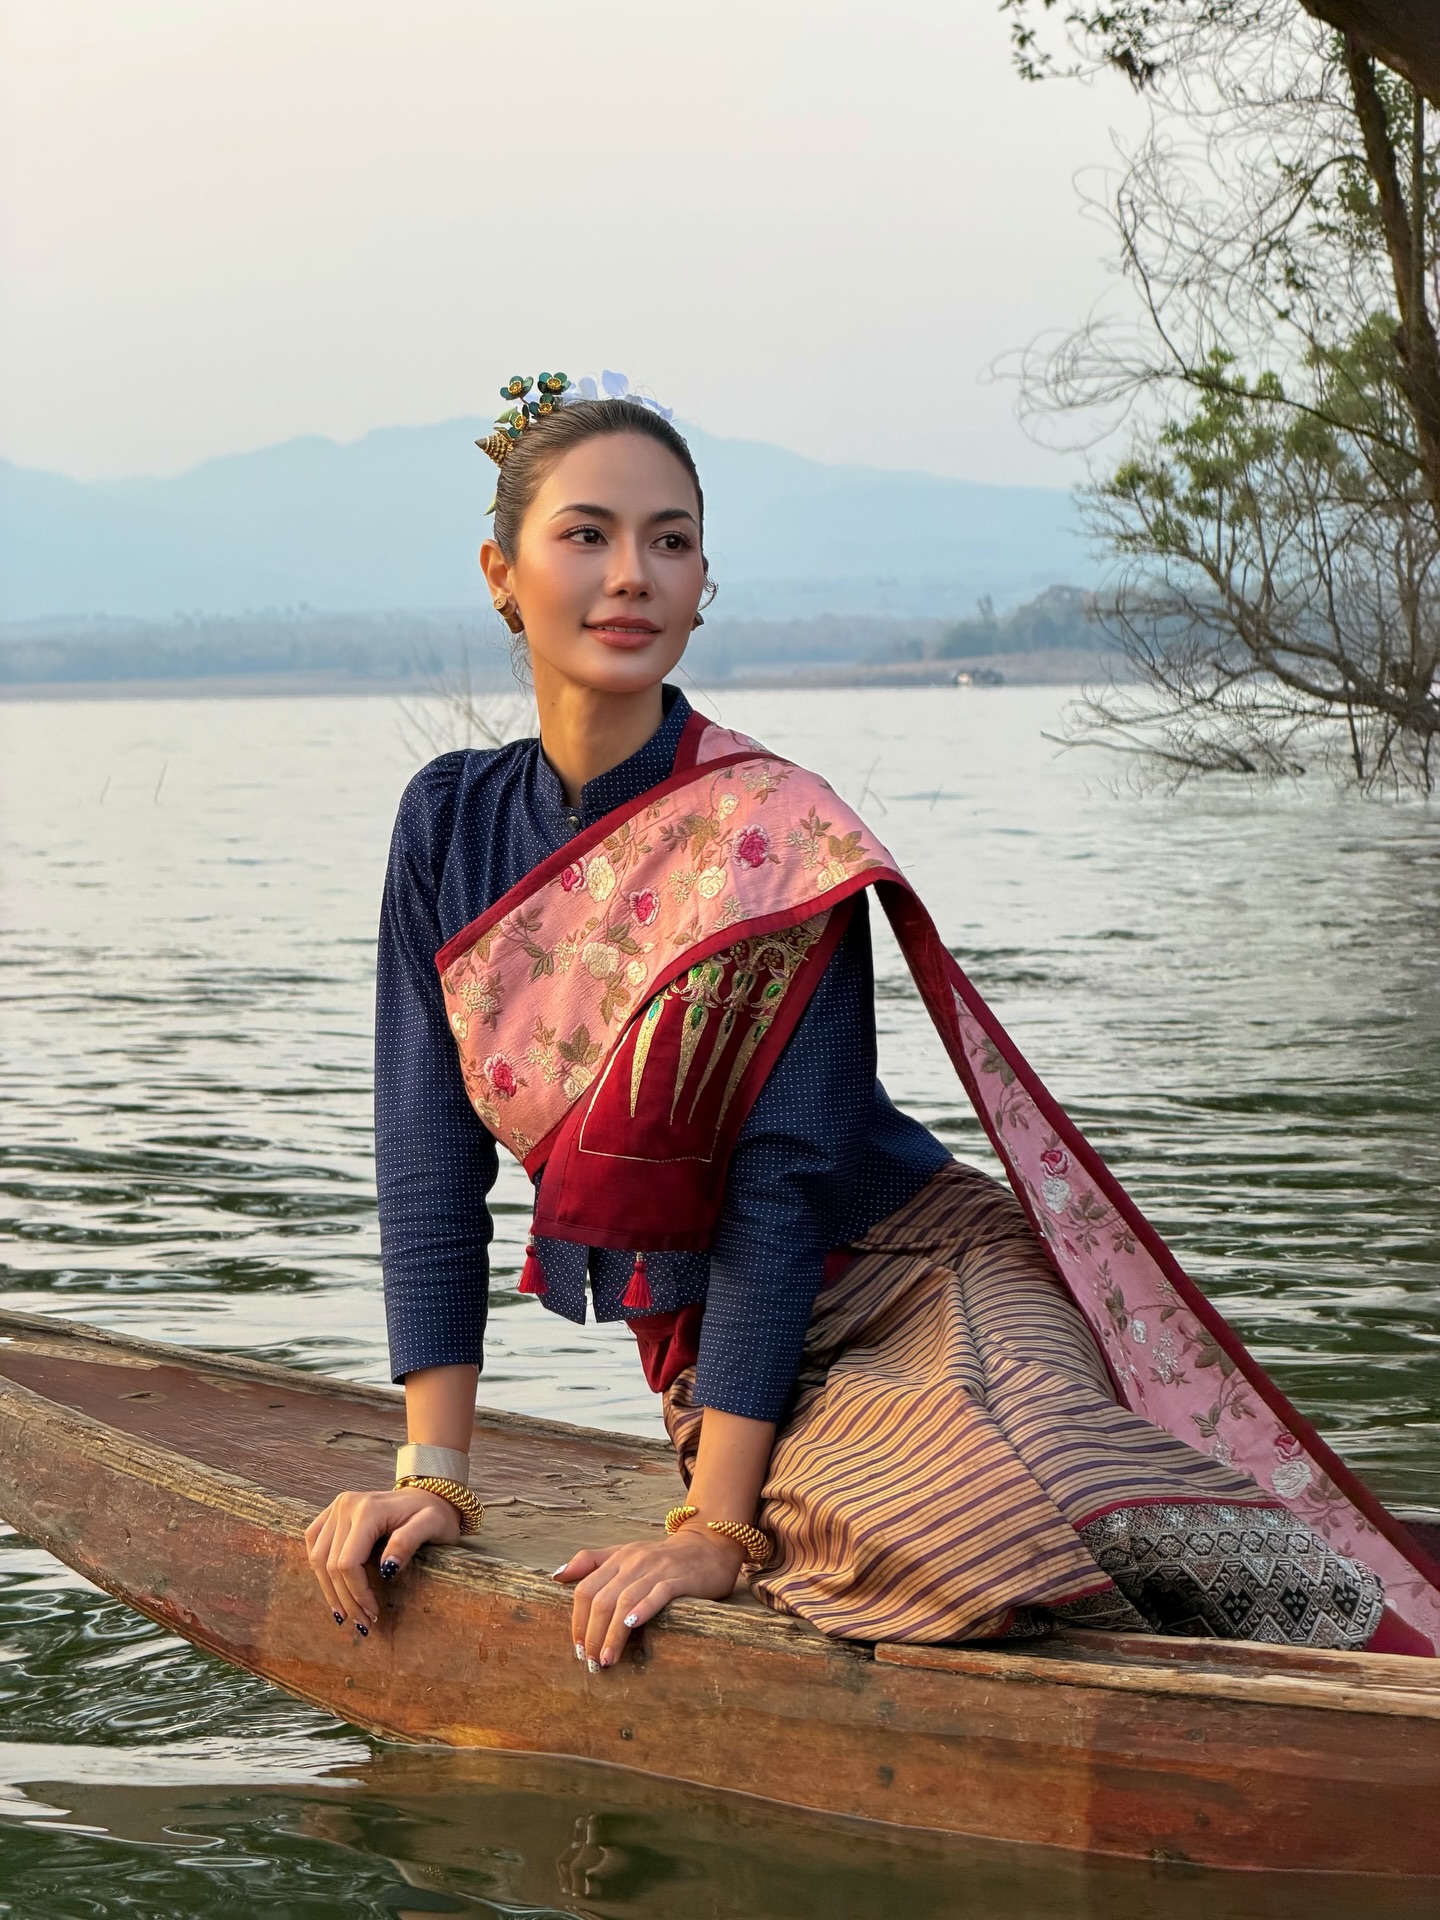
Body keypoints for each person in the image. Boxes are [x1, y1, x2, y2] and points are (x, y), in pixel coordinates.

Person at [306, 374, 1439, 1667]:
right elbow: (429, 1159)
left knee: (1053, 1473)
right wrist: (433, 1476)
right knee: (915, 1548)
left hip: (924, 1272)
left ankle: (1377, 1666)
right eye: (588, 535)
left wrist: (710, 1536)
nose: (632, 575)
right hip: (733, 1355)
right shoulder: (447, 826)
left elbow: (782, 1182)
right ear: (503, 572)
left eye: (670, 541)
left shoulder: (772, 836)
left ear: (703, 579)